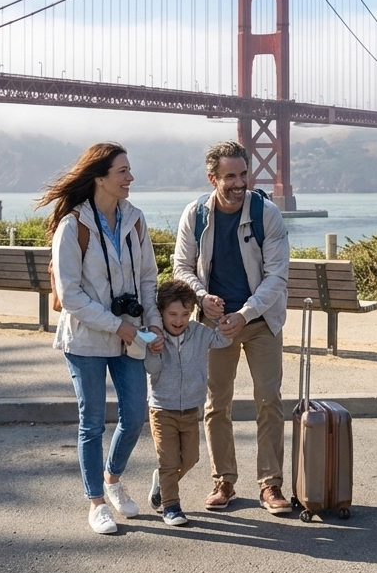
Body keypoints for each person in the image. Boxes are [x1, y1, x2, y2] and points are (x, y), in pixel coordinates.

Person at [40, 142, 163, 535]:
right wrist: (117, 325)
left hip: (130, 334)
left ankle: (112, 478)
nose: (130, 177)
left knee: (135, 415)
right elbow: (71, 295)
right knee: (91, 423)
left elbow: (148, 279)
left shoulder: (135, 220)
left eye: (129, 170)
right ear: (100, 178)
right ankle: (96, 502)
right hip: (86, 339)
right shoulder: (72, 225)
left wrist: (153, 323)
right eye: (122, 171)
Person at [173, 141, 292, 514]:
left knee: (269, 400)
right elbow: (182, 267)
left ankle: (271, 485)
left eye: (244, 174)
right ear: (213, 178)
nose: (240, 183)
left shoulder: (266, 213)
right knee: (216, 404)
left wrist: (246, 312)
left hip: (261, 321)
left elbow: (277, 276)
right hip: (214, 324)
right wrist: (201, 296)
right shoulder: (195, 215)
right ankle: (223, 482)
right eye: (230, 177)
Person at [144, 279, 232, 526]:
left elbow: (223, 340)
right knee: (169, 462)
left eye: (185, 314)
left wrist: (219, 317)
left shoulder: (199, 332)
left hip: (191, 408)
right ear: (161, 312)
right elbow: (151, 369)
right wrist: (153, 350)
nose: (179, 320)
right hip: (162, 409)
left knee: (191, 458)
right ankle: (171, 506)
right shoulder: (155, 336)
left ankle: (162, 483)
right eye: (172, 314)